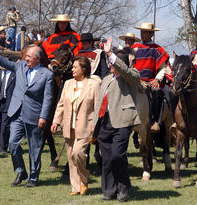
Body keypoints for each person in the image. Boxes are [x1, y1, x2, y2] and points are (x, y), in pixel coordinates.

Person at [0, 37, 54, 187]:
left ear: (37, 59)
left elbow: (48, 99)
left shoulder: (47, 75)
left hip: (34, 115)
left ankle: (33, 178)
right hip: (16, 113)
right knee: (13, 143)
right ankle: (21, 171)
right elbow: (5, 62)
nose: (25, 59)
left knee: (34, 148)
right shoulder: (20, 66)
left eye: (28, 56)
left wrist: (43, 117)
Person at [92, 37, 142, 202]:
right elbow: (99, 103)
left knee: (117, 156)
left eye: (112, 62)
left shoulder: (131, 76)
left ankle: (123, 188)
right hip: (104, 122)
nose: (110, 64)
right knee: (106, 159)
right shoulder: (106, 79)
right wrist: (94, 126)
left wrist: (110, 53)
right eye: (109, 62)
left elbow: (126, 71)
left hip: (121, 122)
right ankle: (109, 191)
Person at [51, 56, 100, 195]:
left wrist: (95, 126)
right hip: (69, 126)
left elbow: (97, 107)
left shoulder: (94, 84)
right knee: (71, 158)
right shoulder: (68, 84)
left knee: (78, 153)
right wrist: (56, 121)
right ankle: (76, 187)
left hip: (86, 126)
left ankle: (84, 179)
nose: (72, 69)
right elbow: (61, 104)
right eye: (72, 67)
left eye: (75, 67)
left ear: (83, 69)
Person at [131, 23, 173, 133]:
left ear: (151, 34)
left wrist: (157, 80)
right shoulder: (134, 48)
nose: (142, 34)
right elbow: (129, 65)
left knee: (157, 92)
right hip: (135, 81)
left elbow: (163, 68)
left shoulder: (158, 49)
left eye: (145, 32)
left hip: (150, 81)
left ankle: (155, 122)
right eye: (141, 31)